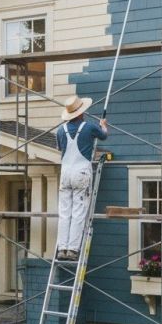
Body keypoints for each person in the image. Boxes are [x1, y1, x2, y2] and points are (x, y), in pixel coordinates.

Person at [55, 95, 108, 260]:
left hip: (65, 173)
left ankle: (62, 247)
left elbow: (60, 148)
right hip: (81, 172)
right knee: (78, 212)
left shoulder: (60, 130)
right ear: (80, 112)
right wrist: (103, 125)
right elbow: (104, 135)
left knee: (64, 213)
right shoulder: (89, 127)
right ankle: (72, 249)